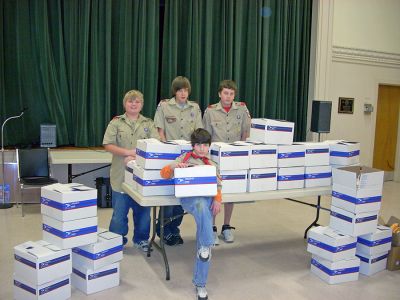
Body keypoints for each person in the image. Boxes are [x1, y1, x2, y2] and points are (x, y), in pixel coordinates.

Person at [159, 128, 222, 300]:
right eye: (199, 145)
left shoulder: (211, 163)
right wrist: (174, 166)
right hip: (189, 199)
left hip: (206, 200)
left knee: (204, 215)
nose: (202, 149)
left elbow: (218, 184)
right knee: (202, 209)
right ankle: (207, 243)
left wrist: (217, 199)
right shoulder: (184, 158)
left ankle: (201, 284)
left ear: (209, 146)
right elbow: (164, 173)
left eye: (205, 145)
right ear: (193, 146)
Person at [103, 90, 160, 252]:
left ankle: (141, 239)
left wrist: (138, 154)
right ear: (125, 104)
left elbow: (156, 144)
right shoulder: (116, 123)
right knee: (119, 214)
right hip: (120, 176)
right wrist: (128, 153)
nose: (133, 104)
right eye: (130, 101)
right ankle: (116, 240)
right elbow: (107, 145)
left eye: (137, 102)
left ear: (141, 105)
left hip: (142, 176)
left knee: (143, 213)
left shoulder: (148, 123)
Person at [153, 76, 203, 246]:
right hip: (169, 156)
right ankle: (163, 229)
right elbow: (159, 131)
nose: (183, 93)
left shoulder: (194, 108)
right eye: (180, 90)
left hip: (188, 157)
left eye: (186, 90)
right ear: (175, 91)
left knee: (182, 196)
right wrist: (166, 150)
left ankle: (174, 229)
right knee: (168, 195)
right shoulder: (165, 106)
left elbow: (198, 132)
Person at [203, 80, 251, 245]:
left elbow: (246, 131)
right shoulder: (210, 111)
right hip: (216, 159)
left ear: (234, 95)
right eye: (225, 93)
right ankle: (212, 228)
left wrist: (242, 150)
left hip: (235, 158)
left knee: (230, 193)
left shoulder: (242, 109)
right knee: (215, 194)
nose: (228, 97)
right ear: (219, 94)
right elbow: (206, 137)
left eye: (231, 94)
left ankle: (226, 226)